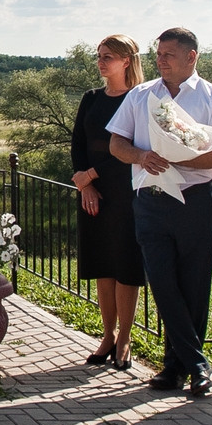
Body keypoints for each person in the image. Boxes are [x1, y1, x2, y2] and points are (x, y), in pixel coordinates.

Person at [107, 28, 212, 396]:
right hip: (150, 200)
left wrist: (178, 155)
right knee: (162, 281)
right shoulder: (141, 95)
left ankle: (175, 369)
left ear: (192, 56)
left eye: (169, 54)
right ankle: (198, 365)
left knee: (194, 284)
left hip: (196, 200)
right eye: (159, 54)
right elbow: (116, 142)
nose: (161, 60)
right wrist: (141, 155)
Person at [71, 35, 145, 370]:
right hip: (93, 192)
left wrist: (92, 174)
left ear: (127, 60)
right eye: (99, 56)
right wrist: (83, 182)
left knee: (126, 264)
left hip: (126, 189)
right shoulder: (91, 98)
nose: (101, 63)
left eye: (108, 57)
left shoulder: (140, 99)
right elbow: (78, 143)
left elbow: (133, 149)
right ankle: (107, 335)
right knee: (103, 264)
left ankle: (126, 338)